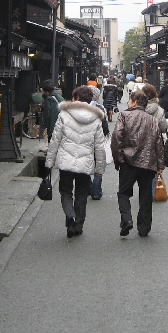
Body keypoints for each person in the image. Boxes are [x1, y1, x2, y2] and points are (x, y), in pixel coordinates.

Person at [45, 85, 106, 237]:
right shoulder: (96, 119)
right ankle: (78, 226)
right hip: (85, 163)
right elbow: (99, 146)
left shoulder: (64, 114)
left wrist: (49, 162)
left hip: (66, 161)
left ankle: (70, 214)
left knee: (65, 191)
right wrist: (100, 169)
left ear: (76, 98)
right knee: (81, 195)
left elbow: (55, 140)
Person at [111, 89, 165, 237]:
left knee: (123, 193)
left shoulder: (124, 116)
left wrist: (118, 158)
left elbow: (116, 138)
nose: (128, 103)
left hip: (128, 162)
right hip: (148, 162)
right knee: (146, 196)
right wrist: (160, 165)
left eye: (130, 100)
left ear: (135, 102)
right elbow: (159, 144)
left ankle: (127, 219)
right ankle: (144, 227)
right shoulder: (152, 120)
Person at [87, 83, 110, 200]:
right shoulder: (100, 108)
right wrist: (106, 134)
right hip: (98, 139)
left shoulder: (81, 107)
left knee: (85, 163)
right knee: (98, 165)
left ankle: (88, 187)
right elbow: (105, 125)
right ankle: (96, 191)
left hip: (84, 140)